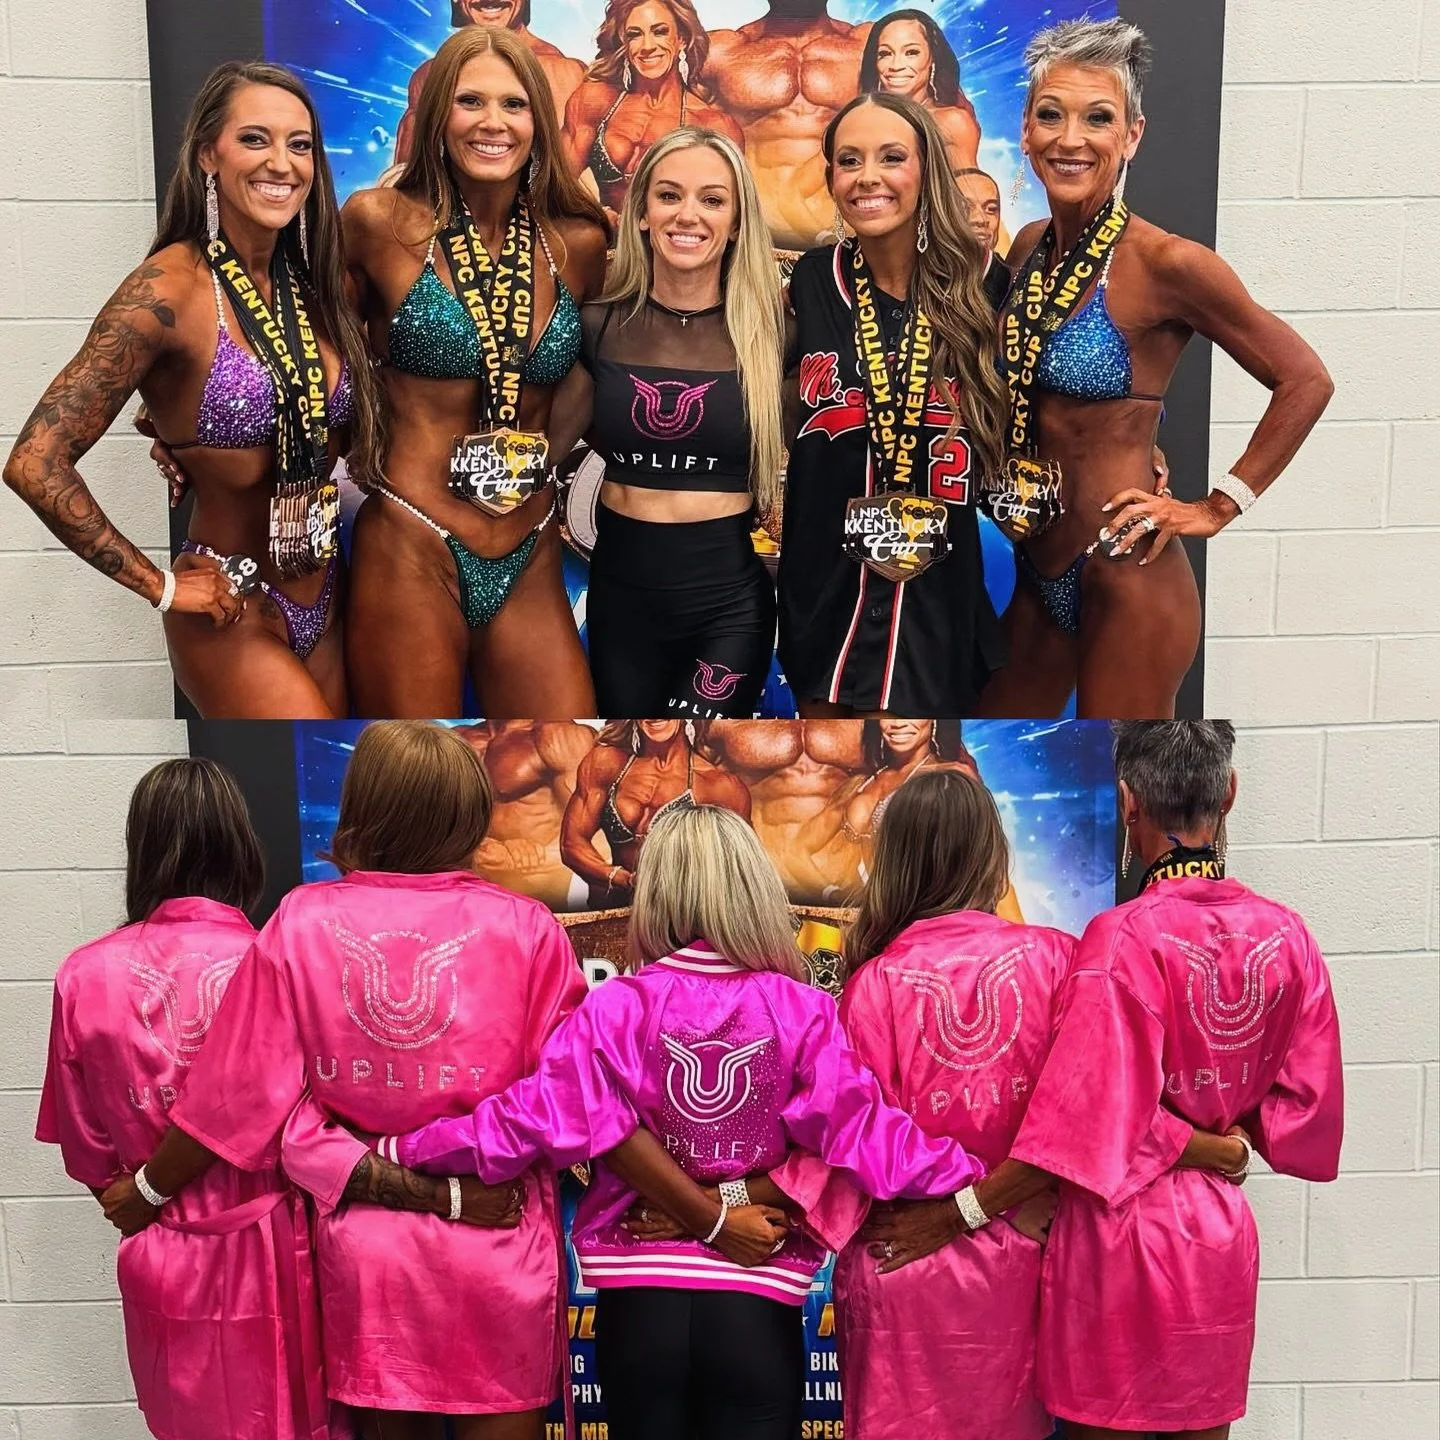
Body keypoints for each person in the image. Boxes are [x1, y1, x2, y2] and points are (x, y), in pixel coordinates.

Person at [372, 803, 991, 1440]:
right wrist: (979, 1177)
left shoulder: (614, 1008)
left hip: (638, 1305)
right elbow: (867, 1135)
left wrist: (400, 1146)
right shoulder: (802, 1010)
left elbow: (524, 1119)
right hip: (757, 1303)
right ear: (751, 887)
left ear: (656, 892)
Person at [956, 720, 1341, 1439]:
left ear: (1129, 802)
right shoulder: (1290, 937)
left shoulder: (1121, 938)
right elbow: (1304, 1117)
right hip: (1219, 1235)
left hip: (1119, 1237)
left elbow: (1090, 1114)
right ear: (1229, 793)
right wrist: (1218, 1140)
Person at [978, 19, 1333, 719]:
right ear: (1025, 130)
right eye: (1051, 115)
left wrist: (1215, 506)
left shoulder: (1168, 263)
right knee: (991, 758)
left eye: (1098, 118)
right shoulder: (1025, 249)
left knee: (1126, 795)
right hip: (1034, 568)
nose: (1070, 139)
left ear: (1132, 135)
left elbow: (1306, 379)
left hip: (1126, 572)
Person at [3, 63, 380, 719]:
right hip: (230, 604)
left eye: (299, 145)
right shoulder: (167, 289)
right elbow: (35, 461)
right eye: (255, 140)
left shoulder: (320, 284)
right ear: (210, 153)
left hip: (329, 590)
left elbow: (318, 416)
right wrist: (163, 587)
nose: (281, 164)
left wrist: (169, 428)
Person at [34, 758, 339, 1439]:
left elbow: (92, 1161)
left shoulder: (83, 976)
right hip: (282, 1253)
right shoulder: (276, 960)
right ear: (241, 847)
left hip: (163, 1255)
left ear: (140, 850)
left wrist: (150, 1195)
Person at [342, 27, 609, 717]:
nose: (493, 122)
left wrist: (547, 457)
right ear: (439, 118)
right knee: (421, 759)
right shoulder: (378, 222)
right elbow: (314, 357)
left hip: (530, 546)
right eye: (471, 101)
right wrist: (186, 432)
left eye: (514, 105)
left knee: (574, 746)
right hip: (411, 540)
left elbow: (594, 371)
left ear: (537, 125)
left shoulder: (577, 243)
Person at [780, 93, 1011, 716]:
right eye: (849, 161)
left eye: (891, 157)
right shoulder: (810, 280)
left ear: (926, 168)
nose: (868, 177)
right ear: (830, 178)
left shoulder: (984, 282)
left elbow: (1036, 403)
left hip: (936, 601)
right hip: (824, 593)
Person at [546, 128, 783, 717]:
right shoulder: (598, 325)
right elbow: (541, 451)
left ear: (736, 222)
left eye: (712, 199)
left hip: (729, 603)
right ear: (643, 214)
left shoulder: (776, 333)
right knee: (636, 757)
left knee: (700, 760)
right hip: (621, 599)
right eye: (670, 195)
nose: (689, 215)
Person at [706, 0, 871, 249]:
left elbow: (945, 123)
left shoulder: (871, 46)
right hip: (754, 243)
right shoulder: (719, 51)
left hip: (850, 241)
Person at [562, 0, 743, 219]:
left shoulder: (713, 125)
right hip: (605, 244)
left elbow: (727, 213)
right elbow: (555, 184)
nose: (647, 46)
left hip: (672, 245)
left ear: (681, 40)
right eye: (634, 35)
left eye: (660, 32)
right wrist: (594, 214)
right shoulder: (595, 101)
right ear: (624, 42)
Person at [560, 718, 752, 906]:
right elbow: (571, 843)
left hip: (678, 921)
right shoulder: (605, 763)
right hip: (611, 910)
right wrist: (617, 877)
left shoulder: (721, 787)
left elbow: (742, 872)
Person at [395, 0, 585, 164]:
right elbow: (404, 184)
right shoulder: (429, 75)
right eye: (469, 101)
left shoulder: (560, 72)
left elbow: (570, 184)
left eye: (513, 104)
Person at [704, 719, 867, 899]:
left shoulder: (874, 707)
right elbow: (689, 776)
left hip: (845, 887)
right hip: (753, 882)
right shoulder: (720, 706)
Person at [457, 720, 597, 908]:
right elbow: (433, 830)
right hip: (475, 892)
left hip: (544, 891)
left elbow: (599, 838)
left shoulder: (561, 737)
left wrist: (528, 863)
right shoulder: (457, 739)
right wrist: (475, 853)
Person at [859, 10, 979, 173]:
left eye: (911, 52)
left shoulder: (953, 122)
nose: (896, 65)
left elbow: (973, 190)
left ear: (932, 58)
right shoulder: (859, 121)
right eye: (885, 53)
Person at [954, 167, 1012, 308]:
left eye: (991, 209)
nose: (981, 219)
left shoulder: (1011, 284)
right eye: (964, 207)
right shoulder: (912, 275)